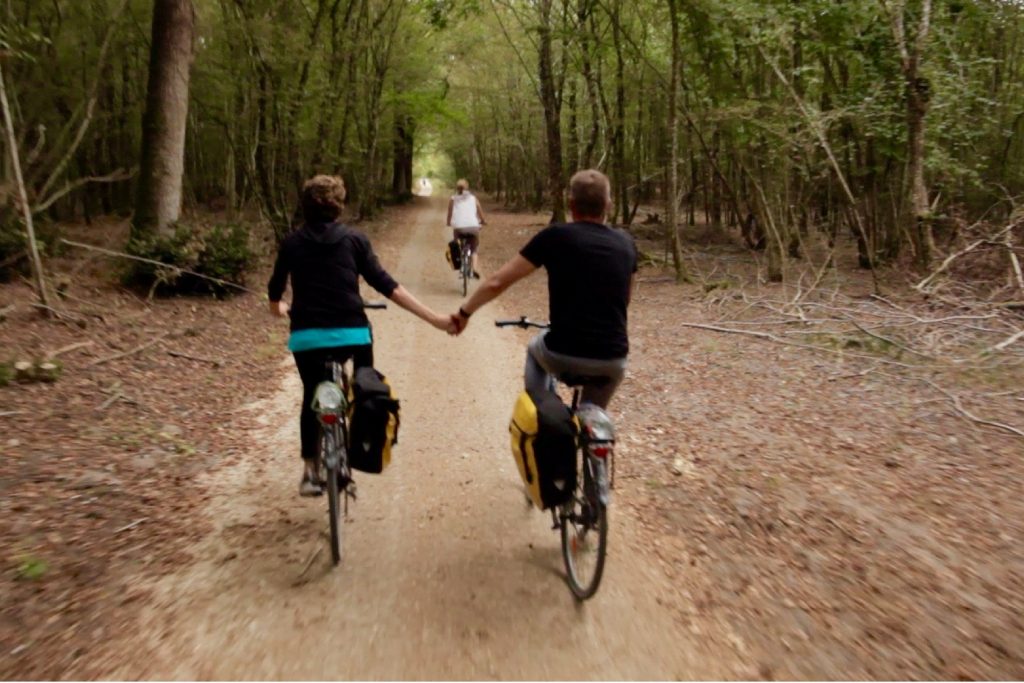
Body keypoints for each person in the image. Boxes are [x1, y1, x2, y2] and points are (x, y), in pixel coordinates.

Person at [269, 175, 450, 496]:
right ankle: (359, 437)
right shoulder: (355, 240)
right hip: (353, 334)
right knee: (365, 385)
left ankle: (310, 472)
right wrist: (434, 319)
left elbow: (275, 290)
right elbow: (386, 285)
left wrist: (280, 307)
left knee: (311, 394)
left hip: (306, 336)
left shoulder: (292, 243)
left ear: (306, 206)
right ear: (339, 206)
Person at [448, 169, 637, 409]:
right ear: (608, 205)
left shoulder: (555, 237)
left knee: (535, 348)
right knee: (594, 416)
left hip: (562, 352)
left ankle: (541, 414)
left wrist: (464, 313)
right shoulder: (626, 243)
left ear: (570, 204)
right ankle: (594, 435)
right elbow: (624, 299)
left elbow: (498, 282)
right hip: (613, 358)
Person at [446, 178, 486, 279]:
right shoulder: (473, 198)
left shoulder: (453, 198)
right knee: (474, 249)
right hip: (473, 226)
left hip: (459, 227)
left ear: (457, 188)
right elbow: (480, 211)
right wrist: (483, 221)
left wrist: (448, 222)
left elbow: (450, 213)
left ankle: (460, 265)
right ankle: (475, 269)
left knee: (456, 245)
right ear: (467, 187)